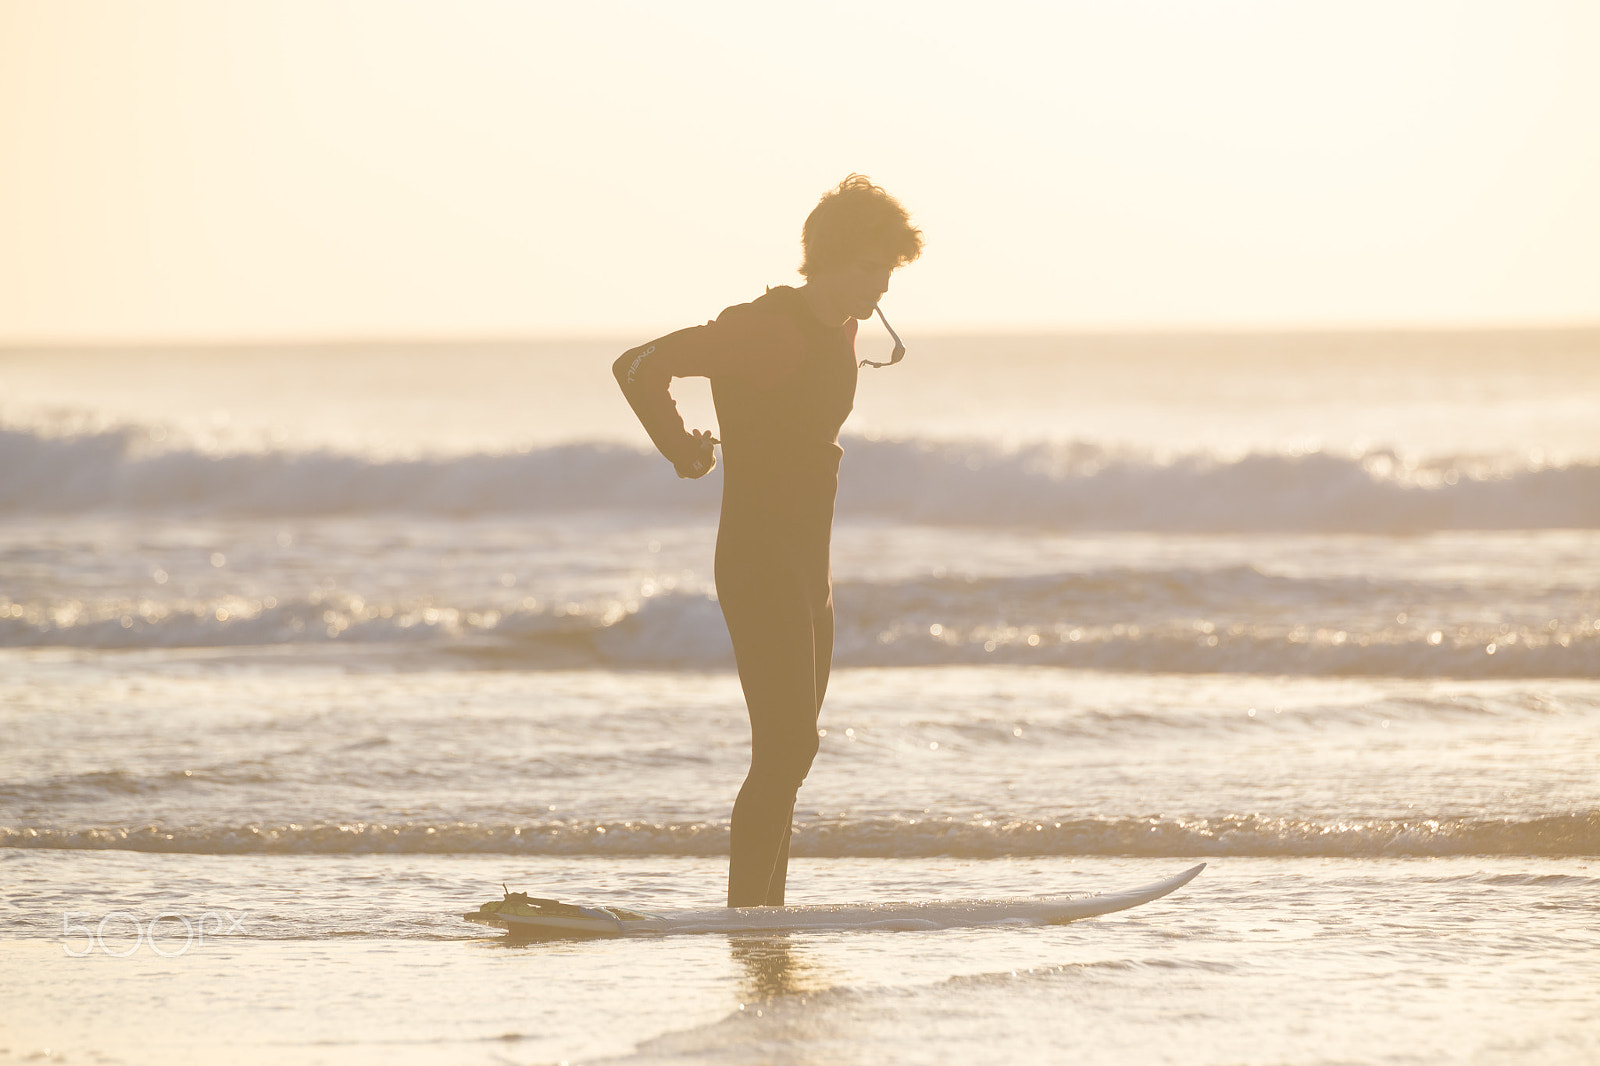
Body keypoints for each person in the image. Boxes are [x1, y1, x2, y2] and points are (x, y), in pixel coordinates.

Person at [613, 174, 923, 907]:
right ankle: (749, 915)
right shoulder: (766, 330)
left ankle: (760, 917)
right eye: (869, 267)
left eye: (888, 270)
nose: (881, 285)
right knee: (786, 748)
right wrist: (681, 450)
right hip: (758, 563)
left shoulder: (841, 329)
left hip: (808, 568)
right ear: (830, 257)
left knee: (792, 752)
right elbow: (637, 365)